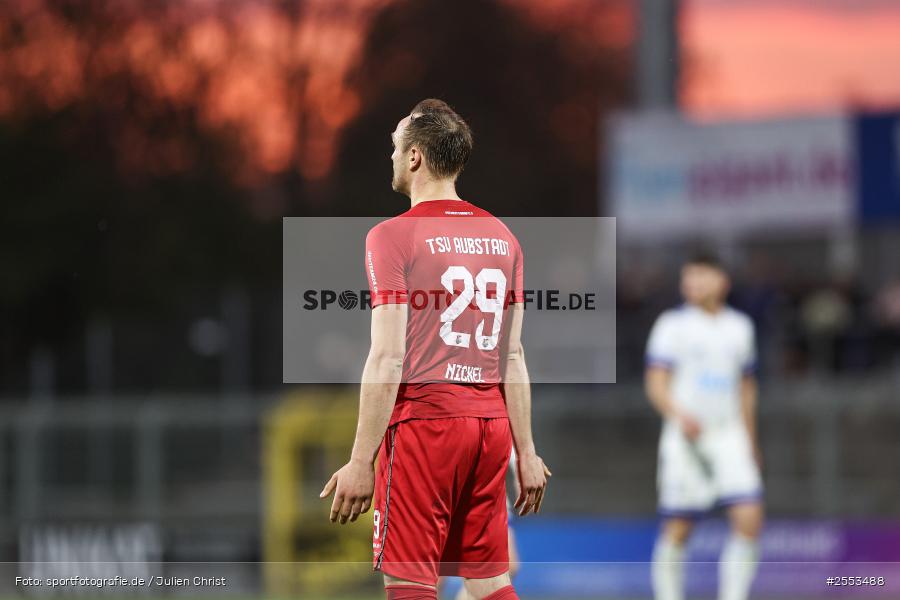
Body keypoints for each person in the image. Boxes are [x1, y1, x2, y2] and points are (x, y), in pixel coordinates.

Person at [320, 99, 550, 600]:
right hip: (491, 431)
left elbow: (387, 357)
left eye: (395, 146)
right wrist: (526, 452)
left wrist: (361, 460)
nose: (391, 156)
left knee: (410, 584)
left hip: (426, 426)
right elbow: (513, 358)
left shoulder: (392, 236)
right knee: (490, 583)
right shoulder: (503, 237)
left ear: (416, 158)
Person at [645, 252, 764, 600]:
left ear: (722, 281)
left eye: (701, 275)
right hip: (685, 438)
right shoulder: (672, 325)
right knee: (678, 528)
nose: (692, 283)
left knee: (749, 518)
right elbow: (655, 384)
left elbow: (746, 387)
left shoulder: (740, 327)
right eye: (688, 277)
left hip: (729, 435)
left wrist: (751, 440)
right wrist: (679, 414)